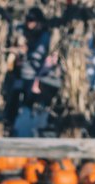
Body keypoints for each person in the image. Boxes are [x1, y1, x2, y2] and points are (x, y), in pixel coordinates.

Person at [10, 6, 61, 138]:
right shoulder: (22, 33)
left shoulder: (45, 37)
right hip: (21, 75)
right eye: (27, 19)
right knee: (15, 102)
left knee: (31, 105)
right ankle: (14, 127)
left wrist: (25, 53)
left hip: (35, 77)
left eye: (32, 20)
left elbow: (44, 59)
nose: (29, 22)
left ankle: (27, 132)